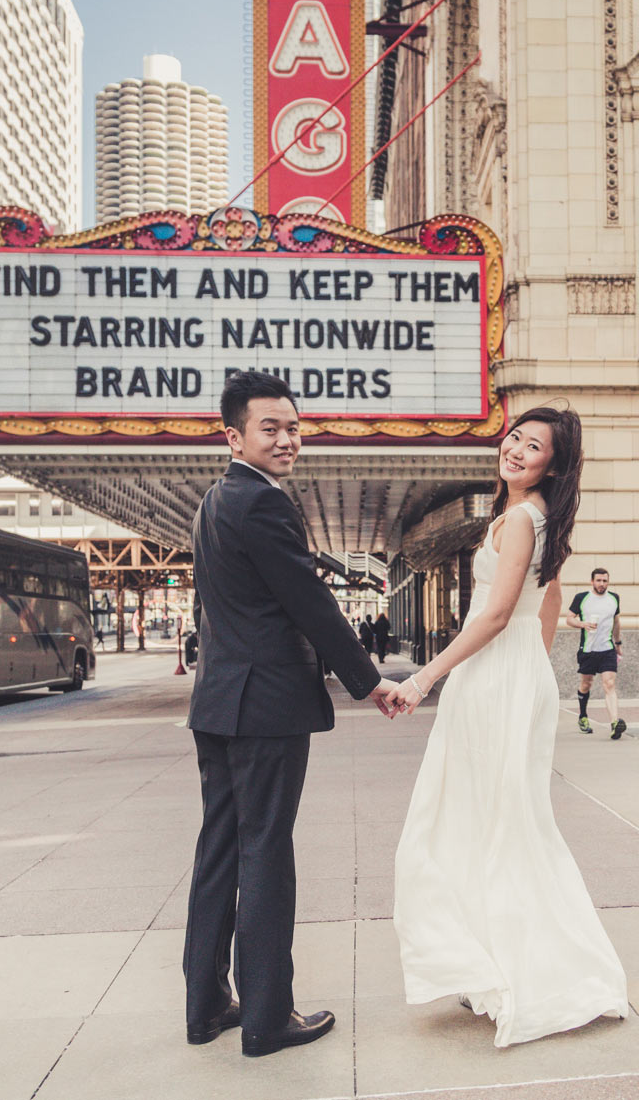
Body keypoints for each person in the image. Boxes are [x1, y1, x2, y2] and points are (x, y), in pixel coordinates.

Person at [391, 406, 628, 1047]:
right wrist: (533, 673)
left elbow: (494, 617)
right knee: (500, 819)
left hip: (494, 675)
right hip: (509, 676)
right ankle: (495, 961)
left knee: (477, 820)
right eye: (515, 437)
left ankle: (522, 968)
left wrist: (422, 679)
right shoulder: (536, 518)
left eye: (534, 446)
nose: (517, 450)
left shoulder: (522, 518)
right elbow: (545, 604)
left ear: (555, 463)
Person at [183, 370, 399, 1059]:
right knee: (265, 853)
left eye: (294, 426)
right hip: (266, 705)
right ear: (234, 435)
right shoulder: (264, 505)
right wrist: (370, 682)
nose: (286, 439)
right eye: (270, 428)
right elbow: (310, 604)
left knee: (219, 850)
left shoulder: (215, 502)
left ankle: (207, 1003)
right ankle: (268, 1017)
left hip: (219, 702)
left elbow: (213, 609)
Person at [567, 568, 625, 739]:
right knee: (586, 684)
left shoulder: (614, 598)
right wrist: (583, 624)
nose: (602, 584)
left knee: (609, 684)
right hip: (588, 649)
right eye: (598, 581)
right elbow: (569, 618)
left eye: (605, 581)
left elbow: (616, 621)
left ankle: (615, 723)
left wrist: (618, 642)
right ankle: (583, 716)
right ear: (592, 581)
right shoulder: (582, 598)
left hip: (607, 648)